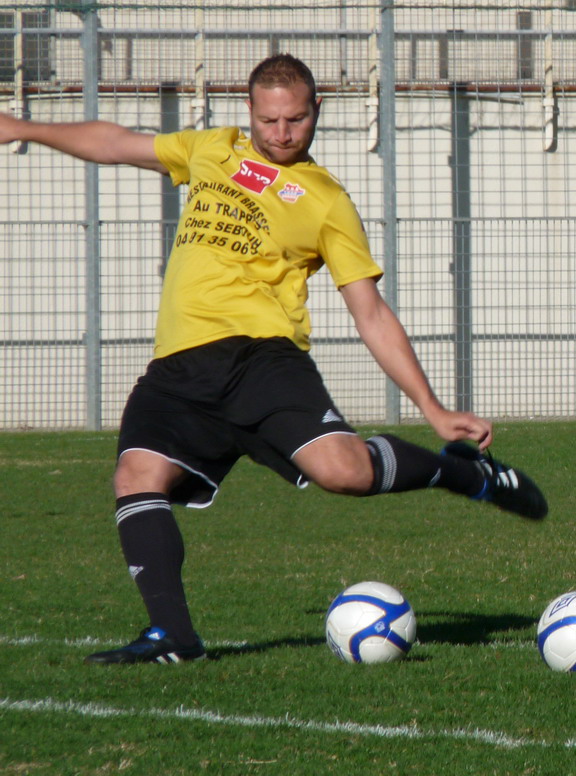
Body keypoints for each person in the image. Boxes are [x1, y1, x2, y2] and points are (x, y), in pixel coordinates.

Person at [0, 54, 547, 665]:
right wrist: (23, 128)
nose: (282, 133)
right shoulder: (212, 150)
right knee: (136, 478)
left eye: (295, 120)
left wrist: (434, 408)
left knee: (346, 473)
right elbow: (117, 142)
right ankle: (174, 637)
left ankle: (465, 474)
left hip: (263, 360)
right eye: (269, 121)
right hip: (178, 365)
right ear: (249, 113)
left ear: (317, 112)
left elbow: (370, 312)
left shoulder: (325, 200)